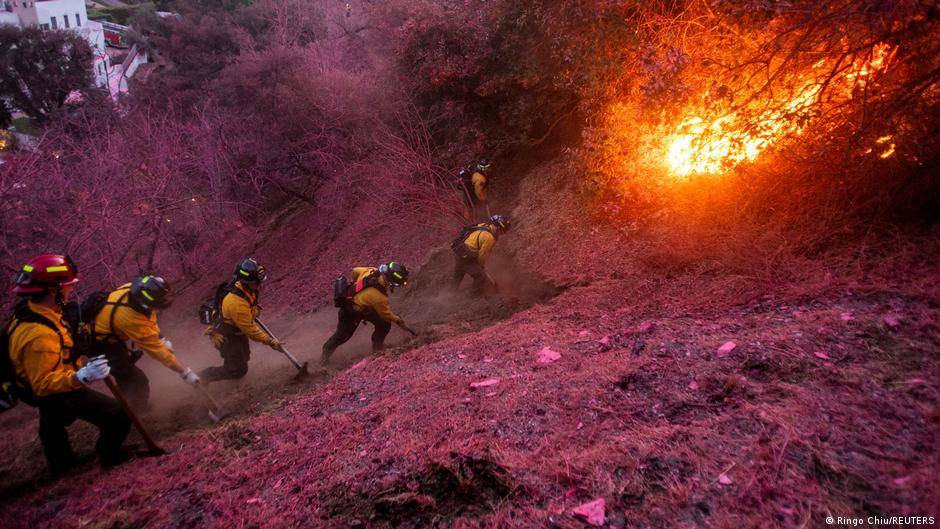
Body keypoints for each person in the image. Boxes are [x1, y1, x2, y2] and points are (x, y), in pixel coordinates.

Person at [6, 254, 130, 474]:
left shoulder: (41, 311)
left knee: (51, 426)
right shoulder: (38, 336)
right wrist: (81, 376)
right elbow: (43, 385)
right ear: (53, 290)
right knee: (117, 416)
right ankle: (111, 458)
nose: (71, 289)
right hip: (56, 388)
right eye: (68, 286)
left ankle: (61, 466)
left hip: (52, 382)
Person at [91, 275, 200, 410]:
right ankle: (134, 413)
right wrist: (184, 372)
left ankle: (131, 406)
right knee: (134, 379)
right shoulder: (130, 318)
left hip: (112, 334)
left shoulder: (135, 293)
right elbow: (158, 352)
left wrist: (161, 338)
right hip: (100, 344)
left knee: (128, 376)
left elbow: (150, 318)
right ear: (145, 303)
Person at [200, 258, 284, 383]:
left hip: (237, 331)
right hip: (226, 335)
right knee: (238, 370)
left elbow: (252, 306)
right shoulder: (236, 303)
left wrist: (254, 312)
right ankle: (202, 377)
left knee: (244, 356)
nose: (260, 286)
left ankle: (232, 367)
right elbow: (251, 330)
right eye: (257, 283)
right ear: (245, 282)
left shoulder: (249, 288)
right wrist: (270, 341)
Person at [322, 262, 413, 365]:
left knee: (384, 324)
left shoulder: (371, 270)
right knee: (342, 336)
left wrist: (357, 288)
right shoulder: (379, 298)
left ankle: (377, 349)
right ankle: (324, 357)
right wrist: (398, 320)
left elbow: (355, 271)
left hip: (364, 307)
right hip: (350, 311)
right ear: (392, 282)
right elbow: (385, 314)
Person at [451, 214, 511, 294]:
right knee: (480, 277)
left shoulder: (483, 225)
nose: (501, 234)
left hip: (460, 251)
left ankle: (450, 294)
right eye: (502, 232)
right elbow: (482, 256)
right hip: (467, 257)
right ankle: (472, 298)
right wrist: (481, 267)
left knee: (457, 277)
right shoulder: (489, 238)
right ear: (499, 228)